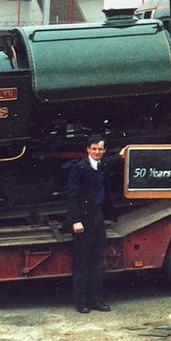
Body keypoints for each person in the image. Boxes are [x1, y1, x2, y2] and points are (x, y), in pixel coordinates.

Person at [65, 134, 111, 314]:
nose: (97, 152)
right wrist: (75, 220)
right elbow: (71, 196)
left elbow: (113, 162)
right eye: (94, 149)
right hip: (82, 220)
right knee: (81, 262)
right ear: (88, 150)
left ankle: (96, 300)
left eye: (100, 149)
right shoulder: (79, 168)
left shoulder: (103, 165)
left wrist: (123, 154)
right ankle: (81, 302)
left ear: (104, 151)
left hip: (98, 218)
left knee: (98, 262)